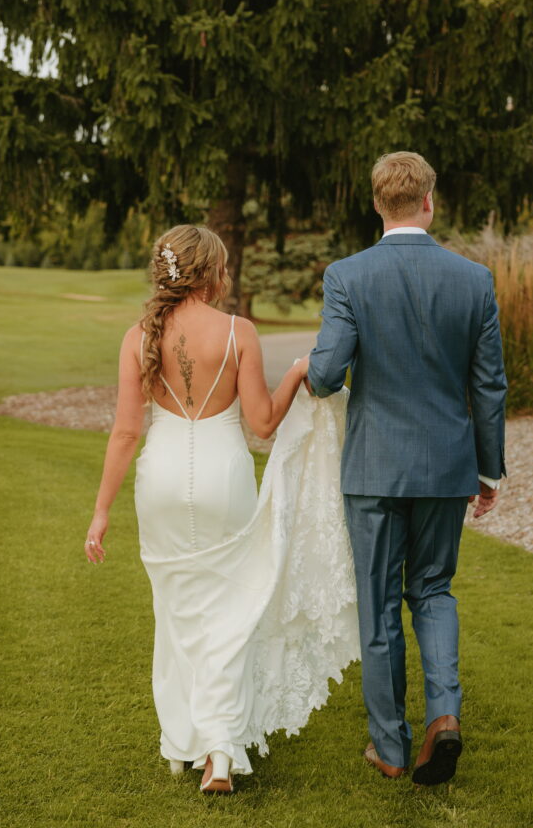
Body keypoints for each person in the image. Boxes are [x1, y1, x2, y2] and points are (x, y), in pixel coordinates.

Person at [84, 225, 359, 794]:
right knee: (230, 615)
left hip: (159, 480)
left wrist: (101, 512)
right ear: (209, 272)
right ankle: (220, 753)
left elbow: (125, 432)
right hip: (223, 477)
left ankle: (183, 742)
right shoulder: (239, 332)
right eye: (224, 267)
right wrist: (298, 373)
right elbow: (262, 423)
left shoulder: (139, 337)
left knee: (177, 614)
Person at [308, 151, 507, 785]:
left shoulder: (347, 275)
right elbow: (490, 387)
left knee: (378, 605)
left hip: (373, 470)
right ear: (429, 201)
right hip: (448, 466)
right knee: (433, 589)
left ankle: (389, 748)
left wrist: (310, 372)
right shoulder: (473, 280)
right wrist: (489, 470)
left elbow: (325, 371)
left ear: (376, 204)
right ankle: (443, 715)